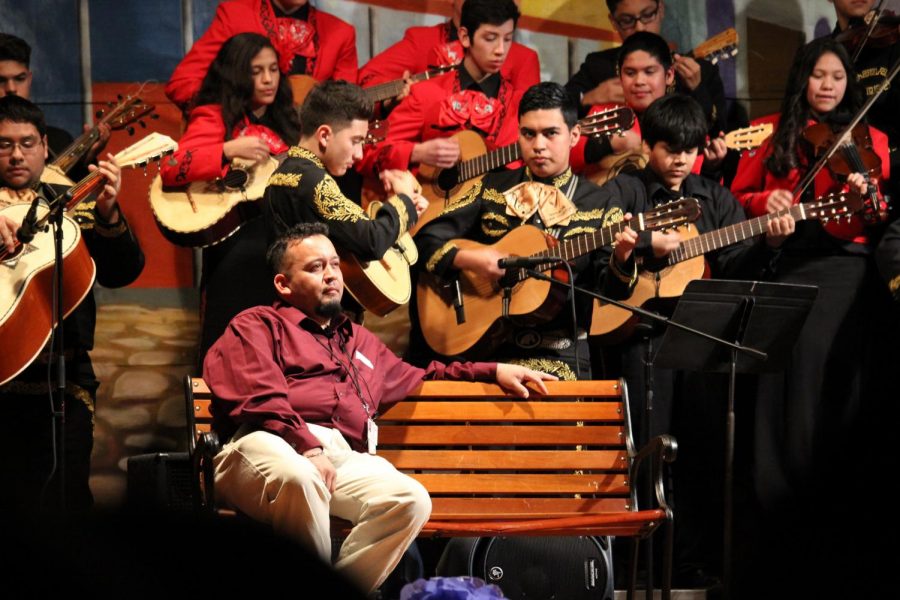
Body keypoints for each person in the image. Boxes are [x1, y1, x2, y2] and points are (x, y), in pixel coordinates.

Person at [203, 221, 554, 594]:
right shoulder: (257, 324)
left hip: (335, 458)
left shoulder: (358, 340)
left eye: (335, 264)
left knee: (409, 500)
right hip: (265, 446)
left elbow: (426, 374)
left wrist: (493, 370)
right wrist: (308, 445)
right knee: (301, 476)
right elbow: (260, 396)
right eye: (315, 267)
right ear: (283, 285)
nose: (331, 275)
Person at [596, 93, 794, 588]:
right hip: (639, 340)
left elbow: (736, 266)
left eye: (690, 149)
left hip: (699, 341)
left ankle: (689, 562)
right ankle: (632, 564)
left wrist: (768, 243)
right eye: (669, 148)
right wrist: (642, 244)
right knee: (644, 450)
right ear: (649, 145)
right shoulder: (626, 190)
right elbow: (593, 242)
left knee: (699, 452)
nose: (680, 159)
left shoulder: (715, 199)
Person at [729, 37, 893, 595]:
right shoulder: (774, 131)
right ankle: (779, 527)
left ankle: (840, 529)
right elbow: (739, 194)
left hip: (849, 274)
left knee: (840, 399)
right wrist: (765, 205)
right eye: (819, 76)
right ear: (803, 78)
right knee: (787, 399)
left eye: (838, 77)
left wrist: (868, 193)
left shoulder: (873, 140)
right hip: (791, 268)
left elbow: (881, 213)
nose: (828, 86)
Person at [413, 82, 640, 380]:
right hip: (487, 352)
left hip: (561, 355)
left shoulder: (601, 203)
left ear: (573, 136)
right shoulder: (491, 188)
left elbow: (614, 293)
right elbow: (425, 241)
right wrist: (472, 261)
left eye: (550, 133)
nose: (538, 145)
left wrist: (622, 256)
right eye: (528, 134)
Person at [0, 95, 144, 512]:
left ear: (46, 146)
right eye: (4, 144)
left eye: (27, 143)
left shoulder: (72, 202)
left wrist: (110, 213)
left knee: (67, 497)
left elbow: (121, 272)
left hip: (66, 372)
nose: (15, 155)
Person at [160, 32, 301, 363]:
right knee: (230, 350)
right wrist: (225, 149)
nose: (268, 79)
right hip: (236, 250)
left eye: (273, 69)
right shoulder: (214, 115)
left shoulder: (289, 118)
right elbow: (171, 167)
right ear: (238, 73)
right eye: (256, 71)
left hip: (287, 248)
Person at [264, 79, 427, 318]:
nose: (360, 155)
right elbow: (371, 240)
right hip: (315, 323)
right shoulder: (313, 181)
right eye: (356, 141)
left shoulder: (287, 174)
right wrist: (404, 202)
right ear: (325, 135)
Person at [357, 0, 527, 179]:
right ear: (465, 37)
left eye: (508, 39)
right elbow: (368, 153)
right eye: (490, 39)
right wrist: (416, 152)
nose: (501, 50)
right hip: (429, 203)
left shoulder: (519, 105)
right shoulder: (426, 94)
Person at [570, 31, 726, 177]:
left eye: (649, 72)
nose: (639, 81)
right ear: (620, 75)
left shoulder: (684, 118)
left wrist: (710, 168)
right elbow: (565, 157)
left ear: (669, 75)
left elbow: (695, 182)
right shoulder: (605, 112)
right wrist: (606, 144)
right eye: (630, 73)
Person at [565, 0, 726, 137]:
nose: (640, 28)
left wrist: (698, 89)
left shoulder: (702, 71)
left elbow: (719, 134)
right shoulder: (598, 65)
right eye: (627, 20)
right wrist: (587, 98)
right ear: (614, 22)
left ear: (661, 9)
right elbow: (552, 109)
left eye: (648, 15)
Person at [165, 0, 357, 111]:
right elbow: (182, 84)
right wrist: (235, 112)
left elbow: (347, 109)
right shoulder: (235, 15)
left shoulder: (341, 34)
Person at [357, 0, 539, 110]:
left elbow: (530, 121)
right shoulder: (423, 40)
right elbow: (365, 82)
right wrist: (391, 102)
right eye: (490, 38)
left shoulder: (523, 58)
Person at [0, 33, 109, 181]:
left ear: (29, 79)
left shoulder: (58, 141)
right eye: (1, 80)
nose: (11, 89)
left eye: (20, 79)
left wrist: (84, 162)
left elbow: (83, 203)